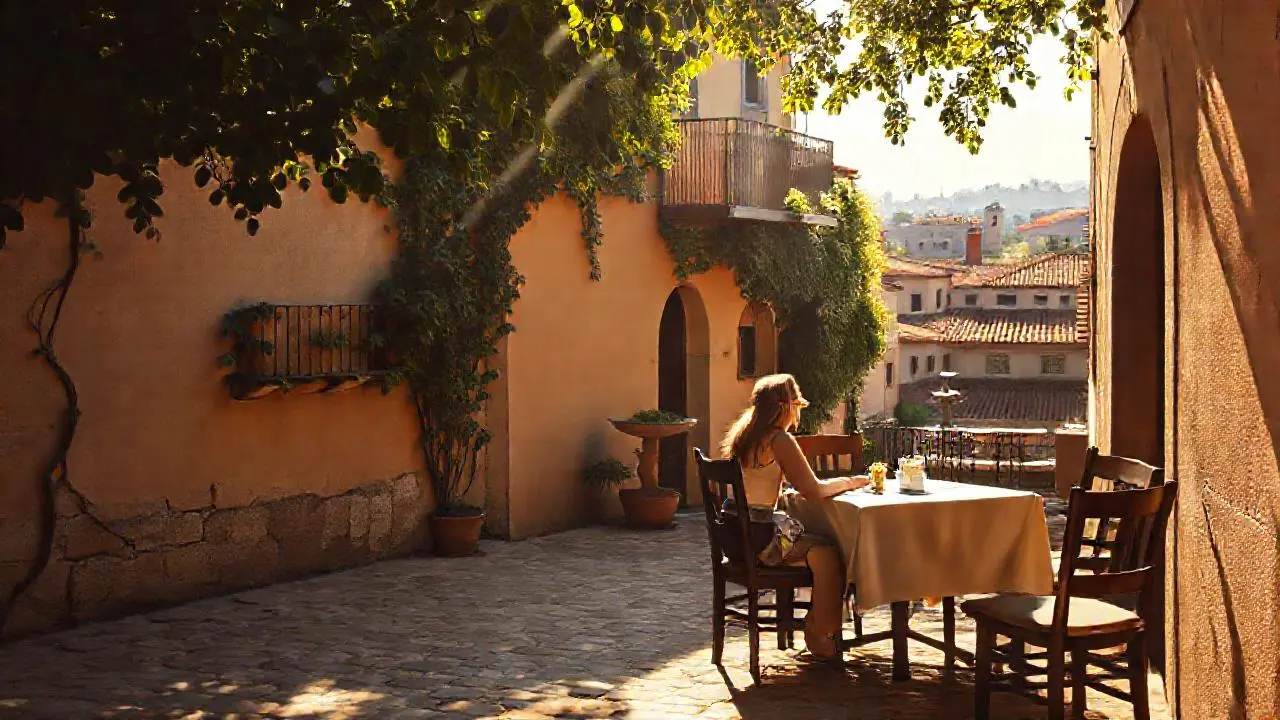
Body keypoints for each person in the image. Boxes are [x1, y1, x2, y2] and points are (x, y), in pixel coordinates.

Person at [721, 373, 868, 660]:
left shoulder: (745, 435)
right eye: (796, 407)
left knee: (813, 545)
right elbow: (814, 489)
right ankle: (819, 632)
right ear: (785, 407)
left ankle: (818, 626)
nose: (797, 413)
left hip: (734, 535)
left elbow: (758, 483)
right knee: (827, 552)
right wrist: (851, 482)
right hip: (758, 537)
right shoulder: (779, 439)